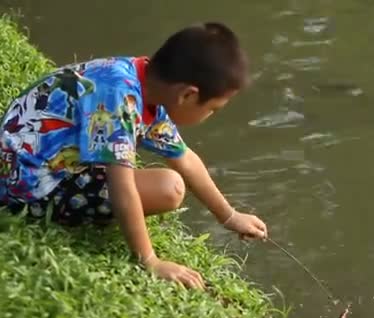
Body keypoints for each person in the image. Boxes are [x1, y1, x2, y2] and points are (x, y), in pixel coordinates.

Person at [0, 22, 268, 289]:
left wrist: (229, 216)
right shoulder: (119, 99)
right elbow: (122, 187)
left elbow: (184, 158)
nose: (210, 116)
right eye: (213, 109)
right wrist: (150, 260)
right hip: (24, 186)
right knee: (169, 189)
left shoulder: (140, 80)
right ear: (187, 94)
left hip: (36, 159)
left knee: (169, 184)